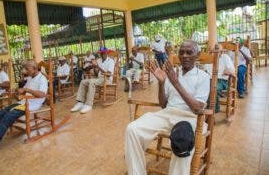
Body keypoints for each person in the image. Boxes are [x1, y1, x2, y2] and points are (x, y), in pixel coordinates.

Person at [125, 40, 210, 175]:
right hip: (167, 114)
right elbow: (163, 104)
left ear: (197, 55)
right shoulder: (172, 73)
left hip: (190, 119)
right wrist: (162, 82)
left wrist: (175, 82)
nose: (185, 56)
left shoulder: (203, 77)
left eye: (189, 52)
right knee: (132, 129)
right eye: (181, 52)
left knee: (182, 139)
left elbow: (198, 108)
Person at [0, 60, 48, 157]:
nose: (26, 71)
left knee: (8, 117)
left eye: (27, 69)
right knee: (0, 113)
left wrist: (26, 89)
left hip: (32, 104)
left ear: (35, 68)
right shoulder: (31, 78)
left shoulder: (42, 79)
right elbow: (23, 91)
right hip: (24, 102)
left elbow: (42, 94)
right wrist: (17, 91)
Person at [70, 47, 115, 114]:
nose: (102, 54)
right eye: (101, 53)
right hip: (99, 78)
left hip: (107, 79)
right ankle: (80, 102)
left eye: (104, 53)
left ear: (107, 53)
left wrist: (97, 67)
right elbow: (96, 73)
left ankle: (89, 104)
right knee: (83, 82)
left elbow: (108, 74)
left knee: (92, 82)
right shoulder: (99, 60)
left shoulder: (111, 61)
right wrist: (94, 68)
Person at [204, 44, 235, 113]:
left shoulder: (225, 57)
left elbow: (232, 71)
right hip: (210, 80)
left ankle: (213, 110)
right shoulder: (210, 58)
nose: (217, 52)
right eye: (215, 50)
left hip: (222, 81)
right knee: (203, 87)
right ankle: (206, 109)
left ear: (222, 51)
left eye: (219, 50)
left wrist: (226, 72)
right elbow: (205, 70)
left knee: (213, 88)